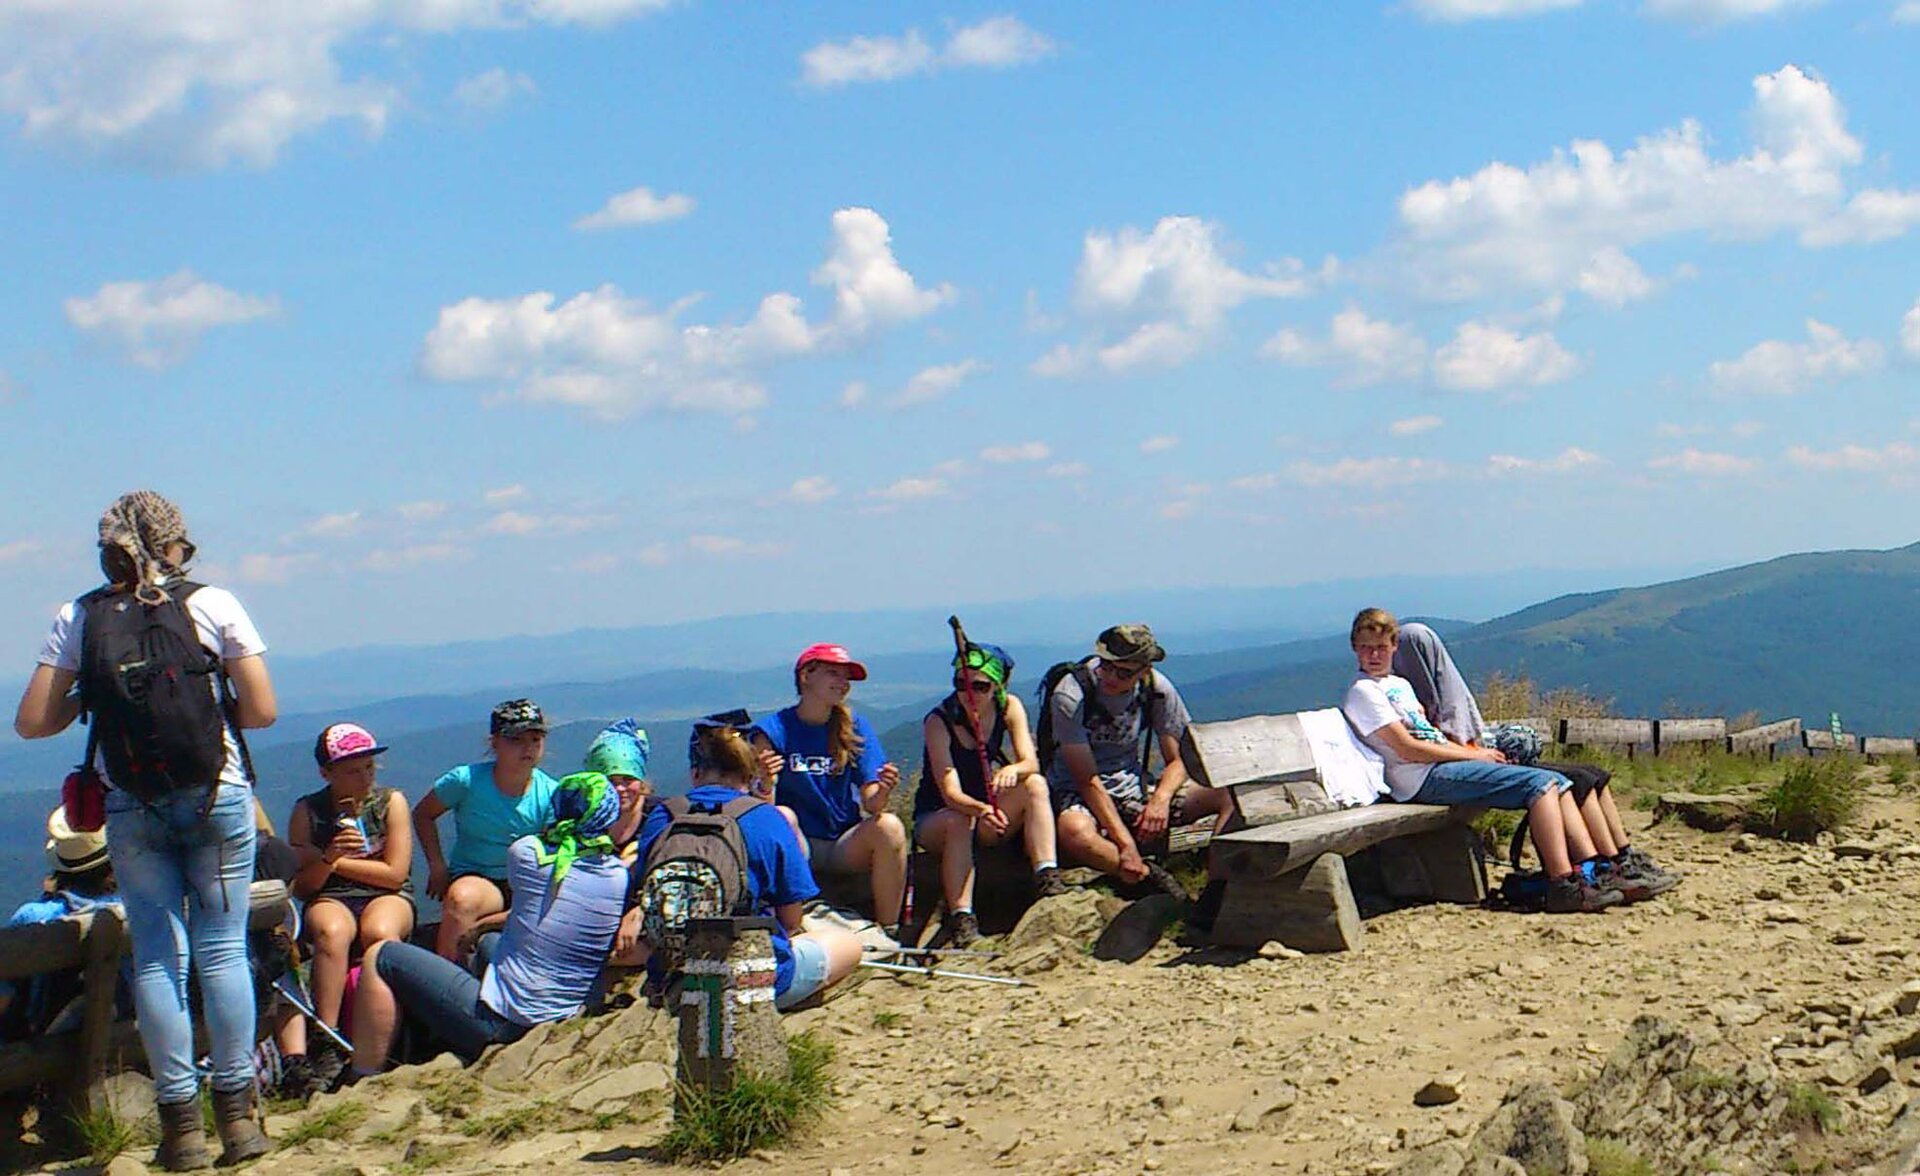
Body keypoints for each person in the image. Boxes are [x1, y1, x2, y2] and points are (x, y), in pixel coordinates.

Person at [11, 491, 278, 1169]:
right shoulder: (213, 604)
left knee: (159, 955)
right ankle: (239, 1120)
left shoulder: (82, 615)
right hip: (216, 793)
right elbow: (264, 710)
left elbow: (33, 722)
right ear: (176, 542)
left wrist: (97, 690)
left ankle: (181, 1128)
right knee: (220, 950)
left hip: (131, 804)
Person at [346, 772, 631, 1078]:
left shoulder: (527, 854)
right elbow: (543, 909)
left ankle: (363, 1074)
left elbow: (532, 898)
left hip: (502, 1026)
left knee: (382, 956)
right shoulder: (617, 876)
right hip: (569, 1017)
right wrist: (480, 929)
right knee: (488, 944)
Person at [1341, 608, 1622, 914]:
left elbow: (1428, 736)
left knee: (1560, 782)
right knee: (1540, 785)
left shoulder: (1399, 686)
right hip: (1420, 779)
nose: (1374, 655)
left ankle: (1592, 873)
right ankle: (1562, 884)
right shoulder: (1363, 693)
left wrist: (1473, 753)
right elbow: (1408, 748)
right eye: (1366, 647)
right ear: (1355, 648)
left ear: (1395, 646)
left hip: (1440, 767)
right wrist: (1475, 754)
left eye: (1381, 647)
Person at [1391, 623, 1680, 899]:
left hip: (1481, 759)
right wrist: (1478, 753)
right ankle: (1597, 871)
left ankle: (1620, 858)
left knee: (1591, 775)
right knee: (1570, 781)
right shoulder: (1398, 697)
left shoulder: (1415, 694)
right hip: (1463, 767)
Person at [616, 718, 863, 1010]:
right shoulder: (767, 819)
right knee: (848, 945)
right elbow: (791, 920)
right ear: (748, 774)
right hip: (749, 979)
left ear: (695, 774)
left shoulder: (663, 816)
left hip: (673, 977)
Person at [1043, 625, 1231, 896]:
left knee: (1226, 795)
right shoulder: (1071, 694)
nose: (1110, 676)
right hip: (1078, 792)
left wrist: (1160, 801)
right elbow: (1087, 780)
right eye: (1106, 666)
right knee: (1075, 832)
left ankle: (1215, 893)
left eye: (1123, 672)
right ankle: (1146, 877)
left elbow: (1179, 759)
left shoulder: (1157, 690)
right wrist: (1126, 844)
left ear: (1145, 670)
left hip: (1136, 789)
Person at [286, 722, 415, 1091]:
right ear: (327, 773)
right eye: (352, 771)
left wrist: (336, 861)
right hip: (333, 896)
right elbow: (304, 886)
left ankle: (382, 1037)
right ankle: (326, 1038)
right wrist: (326, 860)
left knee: (379, 935)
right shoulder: (308, 812)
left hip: (387, 895)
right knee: (331, 932)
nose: (364, 779)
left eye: (369, 768)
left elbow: (394, 874)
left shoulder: (390, 803)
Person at [913, 642, 1066, 947]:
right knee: (959, 821)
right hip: (941, 818)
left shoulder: (1009, 706)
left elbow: (1030, 762)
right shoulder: (939, 721)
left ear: (997, 685)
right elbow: (950, 792)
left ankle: (1046, 874)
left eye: (980, 686)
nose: (969, 693)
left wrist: (1015, 771)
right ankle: (961, 916)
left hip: (986, 814)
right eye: (961, 683)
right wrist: (981, 809)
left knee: (1034, 784)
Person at [751, 645, 907, 932]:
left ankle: (890, 929)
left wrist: (884, 789)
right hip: (797, 844)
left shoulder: (855, 726)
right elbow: (763, 810)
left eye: (846, 677)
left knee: (890, 827)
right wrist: (765, 782)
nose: (843, 683)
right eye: (833, 673)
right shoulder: (773, 730)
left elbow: (872, 803)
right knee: (784, 816)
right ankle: (792, 925)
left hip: (841, 842)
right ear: (806, 677)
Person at [413, 699, 559, 960]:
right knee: (462, 900)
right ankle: (448, 977)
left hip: (525, 882)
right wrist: (437, 865)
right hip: (477, 876)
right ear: (495, 743)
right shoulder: (465, 781)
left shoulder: (550, 794)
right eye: (516, 739)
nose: (528, 748)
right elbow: (424, 814)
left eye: (535, 739)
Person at [0, 809, 125, 1041]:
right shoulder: (133, 912)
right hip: (126, 1039)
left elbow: (4, 995)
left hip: (47, 1048)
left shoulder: (35, 916)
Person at [583, 717, 652, 849]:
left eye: (628, 779)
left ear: (641, 781)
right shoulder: (579, 818)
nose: (620, 788)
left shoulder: (661, 818)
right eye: (610, 781)